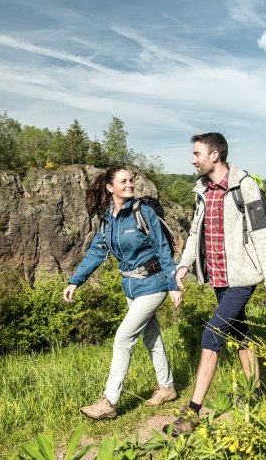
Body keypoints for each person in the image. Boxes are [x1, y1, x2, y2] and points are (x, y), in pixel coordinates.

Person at [163, 133, 266, 436]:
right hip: (217, 278)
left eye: (197, 153)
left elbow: (260, 235)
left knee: (212, 335)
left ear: (214, 155)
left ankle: (192, 413)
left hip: (243, 277)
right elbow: (195, 233)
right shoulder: (202, 190)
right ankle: (255, 394)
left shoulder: (245, 185)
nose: (193, 160)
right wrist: (184, 264)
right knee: (240, 331)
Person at [63, 166, 182, 420]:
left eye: (131, 180)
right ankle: (167, 386)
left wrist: (173, 285)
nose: (130, 184)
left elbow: (162, 248)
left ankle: (109, 402)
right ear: (110, 187)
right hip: (131, 287)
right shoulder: (108, 220)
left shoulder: (143, 212)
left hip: (154, 283)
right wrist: (75, 281)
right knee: (152, 337)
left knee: (123, 338)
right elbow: (96, 251)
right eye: (124, 181)